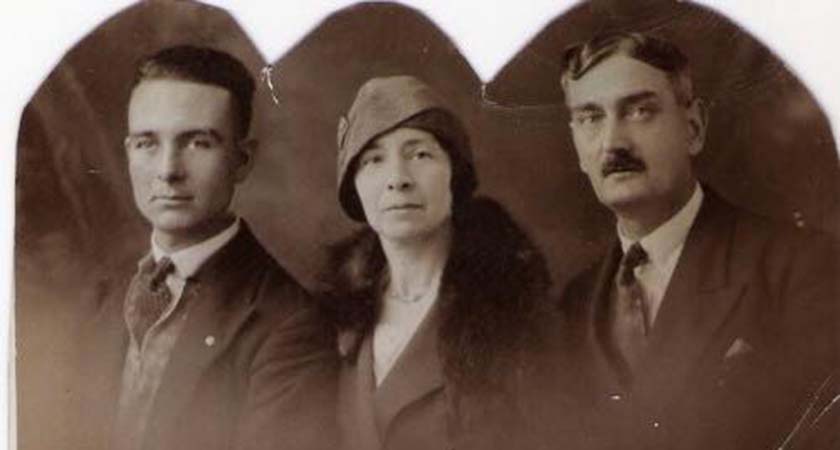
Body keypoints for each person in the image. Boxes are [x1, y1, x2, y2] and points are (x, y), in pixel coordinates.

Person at [558, 32, 838, 449]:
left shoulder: (800, 266)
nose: (613, 142)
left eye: (639, 111)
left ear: (693, 127)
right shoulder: (572, 307)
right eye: (591, 118)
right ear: (578, 146)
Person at [61, 45, 336, 450]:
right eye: (147, 143)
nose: (168, 170)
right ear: (128, 153)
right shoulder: (100, 296)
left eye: (197, 143)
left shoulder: (289, 324)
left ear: (242, 161)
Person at [321, 75, 566, 450]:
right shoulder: (328, 319)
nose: (397, 179)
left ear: (454, 173)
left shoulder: (515, 312)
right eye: (374, 159)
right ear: (354, 184)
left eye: (419, 154)